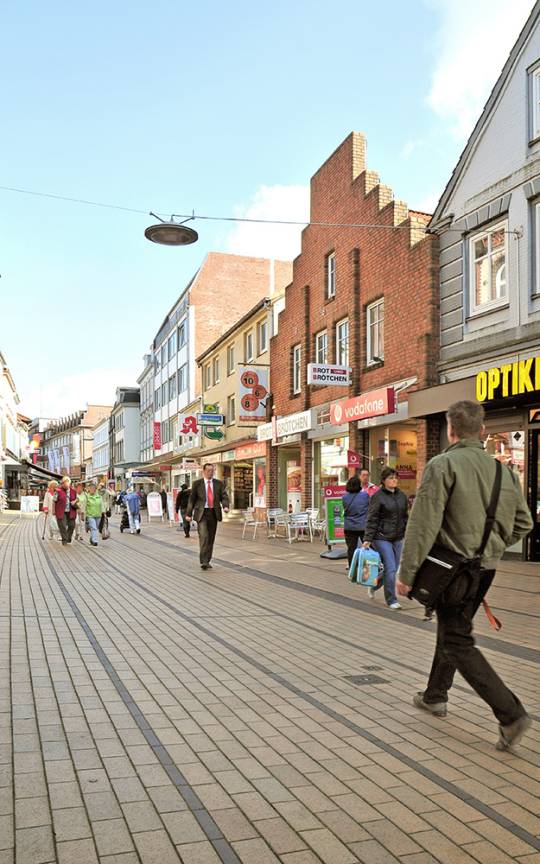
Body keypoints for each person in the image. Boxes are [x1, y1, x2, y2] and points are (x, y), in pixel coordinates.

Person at [396, 400, 533, 751]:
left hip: (449, 571)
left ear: (451, 431)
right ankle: (435, 695)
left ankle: (510, 714)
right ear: (483, 431)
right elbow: (524, 523)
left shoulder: (443, 465)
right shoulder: (504, 472)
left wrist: (406, 573)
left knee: (458, 640)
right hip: (484, 570)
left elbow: (423, 524)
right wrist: (492, 546)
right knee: (454, 629)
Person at [363, 467, 408, 609]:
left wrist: (406, 531)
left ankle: (373, 584)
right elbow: (372, 518)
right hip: (381, 537)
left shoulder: (402, 495)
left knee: (393, 568)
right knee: (390, 566)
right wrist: (368, 539)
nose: (394, 480)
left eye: (395, 477)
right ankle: (392, 600)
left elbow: (405, 517)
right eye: (390, 478)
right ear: (383, 480)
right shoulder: (378, 496)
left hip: (398, 537)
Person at [186, 464, 229, 569]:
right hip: (202, 513)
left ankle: (207, 560)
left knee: (211, 538)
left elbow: (224, 496)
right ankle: (203, 561)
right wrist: (188, 514)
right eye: (209, 470)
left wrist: (225, 506)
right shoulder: (197, 484)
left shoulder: (219, 484)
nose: (211, 472)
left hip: (213, 513)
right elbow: (192, 499)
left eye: (212, 470)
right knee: (204, 536)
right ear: (203, 471)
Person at [342, 475, 369, 566]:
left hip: (349, 526)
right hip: (362, 526)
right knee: (367, 547)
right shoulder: (365, 495)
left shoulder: (344, 497)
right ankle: (368, 566)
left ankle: (351, 568)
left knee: (351, 548)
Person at [53, 477, 78, 545]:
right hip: (61, 511)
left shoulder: (73, 491)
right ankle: (64, 539)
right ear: (62, 484)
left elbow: (77, 499)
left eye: (67, 483)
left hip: (71, 511)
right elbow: (54, 501)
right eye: (64, 483)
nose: (66, 485)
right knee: (63, 526)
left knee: (72, 525)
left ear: (69, 484)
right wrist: (53, 511)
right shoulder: (58, 491)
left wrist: (75, 501)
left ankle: (68, 538)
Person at [84, 482, 103, 547]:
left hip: (98, 515)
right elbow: (85, 506)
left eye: (92, 488)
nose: (91, 490)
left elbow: (101, 505)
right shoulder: (87, 497)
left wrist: (104, 512)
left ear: (95, 489)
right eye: (90, 488)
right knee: (94, 528)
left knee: (95, 528)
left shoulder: (99, 496)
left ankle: (92, 538)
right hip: (90, 515)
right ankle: (95, 541)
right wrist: (84, 514)